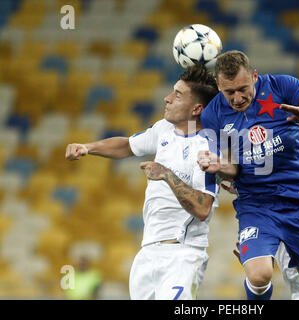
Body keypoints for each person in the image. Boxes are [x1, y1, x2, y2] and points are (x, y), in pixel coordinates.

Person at [198, 50, 299, 300]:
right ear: (218, 85)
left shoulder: (281, 86)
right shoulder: (212, 115)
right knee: (259, 274)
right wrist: (217, 165)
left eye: (243, 88)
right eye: (229, 92)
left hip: (298, 200)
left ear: (255, 76)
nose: (237, 98)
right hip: (256, 204)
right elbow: (231, 167)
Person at [65, 65, 220, 300]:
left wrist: (167, 174)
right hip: (147, 251)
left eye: (177, 95)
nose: (167, 99)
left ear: (197, 108)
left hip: (181, 253)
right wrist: (88, 147)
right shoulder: (164, 130)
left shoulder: (207, 147)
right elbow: (128, 145)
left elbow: (203, 207)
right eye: (172, 91)